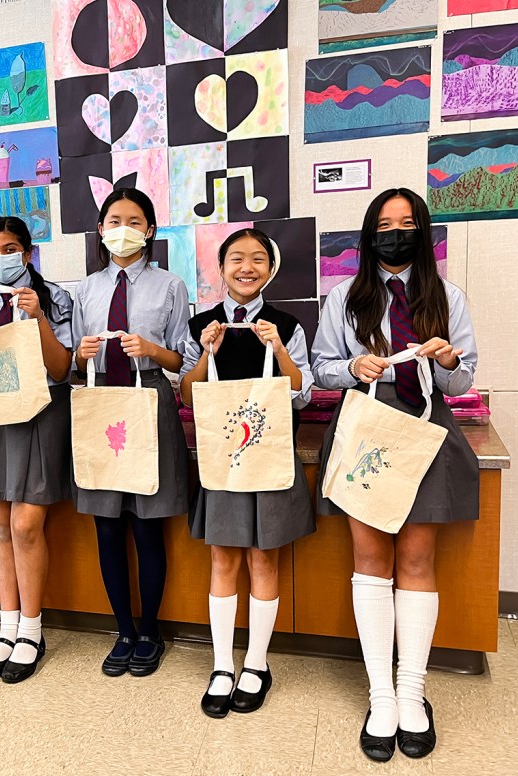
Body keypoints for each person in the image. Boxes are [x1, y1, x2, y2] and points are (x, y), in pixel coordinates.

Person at [312, 188, 479, 762]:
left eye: (407, 223)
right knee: (371, 560)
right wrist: (351, 366)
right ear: (368, 234)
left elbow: (462, 384)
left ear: (423, 232)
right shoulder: (344, 297)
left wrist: (449, 359)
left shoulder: (447, 297)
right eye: (385, 224)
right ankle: (380, 695)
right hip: (366, 427)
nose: (396, 232)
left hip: (427, 427)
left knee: (416, 559)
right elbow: (320, 369)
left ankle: (413, 692)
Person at [179, 228, 315, 717]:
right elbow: (188, 395)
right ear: (221, 268)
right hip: (221, 462)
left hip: (270, 460)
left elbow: (302, 392)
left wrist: (278, 348)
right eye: (236, 258)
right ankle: (221, 664)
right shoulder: (201, 325)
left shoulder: (288, 325)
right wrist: (207, 354)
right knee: (223, 561)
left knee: (264, 561)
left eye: (258, 259)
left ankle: (255, 663)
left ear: (271, 270)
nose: (246, 267)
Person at [71, 188, 190, 678]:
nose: (124, 227)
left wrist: (153, 350)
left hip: (148, 402)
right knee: (107, 527)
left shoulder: (170, 285)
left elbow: (184, 357)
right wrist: (80, 354)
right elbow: (73, 361)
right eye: (114, 219)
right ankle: (122, 630)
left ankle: (150, 630)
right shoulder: (85, 289)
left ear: (150, 230)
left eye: (134, 220)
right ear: (100, 229)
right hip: (102, 407)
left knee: (146, 526)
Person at [0, 217, 73, 684]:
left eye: (9, 249)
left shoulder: (57, 297)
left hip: (40, 412)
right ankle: (7, 628)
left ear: (27, 253)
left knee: (26, 524)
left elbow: (63, 367)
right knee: (3, 525)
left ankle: (33, 631)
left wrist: (38, 317)